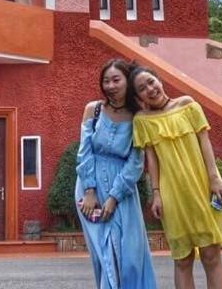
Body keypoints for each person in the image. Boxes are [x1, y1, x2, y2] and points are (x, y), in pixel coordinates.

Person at [130, 65, 222, 289]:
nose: (150, 89)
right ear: (138, 97)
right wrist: (156, 194)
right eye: (141, 88)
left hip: (202, 186)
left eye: (151, 82)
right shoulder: (142, 120)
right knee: (182, 259)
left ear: (159, 80)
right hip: (172, 195)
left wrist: (215, 178)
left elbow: (205, 142)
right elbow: (152, 160)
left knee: (211, 255)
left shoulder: (187, 105)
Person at [76, 58, 156, 289]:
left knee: (130, 254)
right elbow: (84, 150)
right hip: (89, 187)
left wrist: (114, 197)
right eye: (106, 81)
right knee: (105, 251)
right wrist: (90, 191)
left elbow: (136, 161)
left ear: (127, 82)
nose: (110, 85)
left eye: (116, 80)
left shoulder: (138, 116)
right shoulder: (94, 109)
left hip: (123, 188)